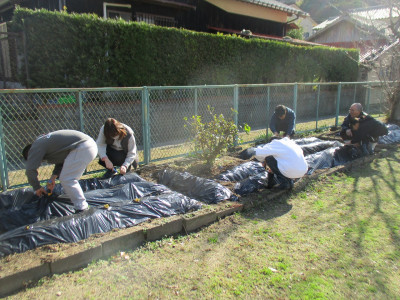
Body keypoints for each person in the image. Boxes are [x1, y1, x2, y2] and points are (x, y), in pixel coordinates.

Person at [22, 130, 98, 213]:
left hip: (83, 146)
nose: (40, 162)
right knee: (67, 178)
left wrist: (37, 187)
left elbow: (30, 170)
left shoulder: (35, 147)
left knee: (67, 179)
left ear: (30, 154)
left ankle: (82, 208)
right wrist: (53, 178)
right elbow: (63, 160)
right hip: (87, 146)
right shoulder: (43, 143)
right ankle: (81, 206)